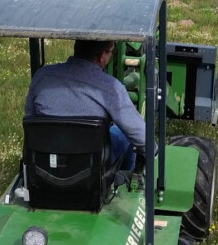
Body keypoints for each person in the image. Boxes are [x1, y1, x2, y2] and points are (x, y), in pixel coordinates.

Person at [25, 40, 145, 170]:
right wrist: (154, 153)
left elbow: (30, 116)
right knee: (123, 134)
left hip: (46, 160)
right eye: (112, 52)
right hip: (90, 168)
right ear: (102, 56)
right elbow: (140, 135)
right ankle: (124, 180)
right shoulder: (111, 87)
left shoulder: (42, 76)